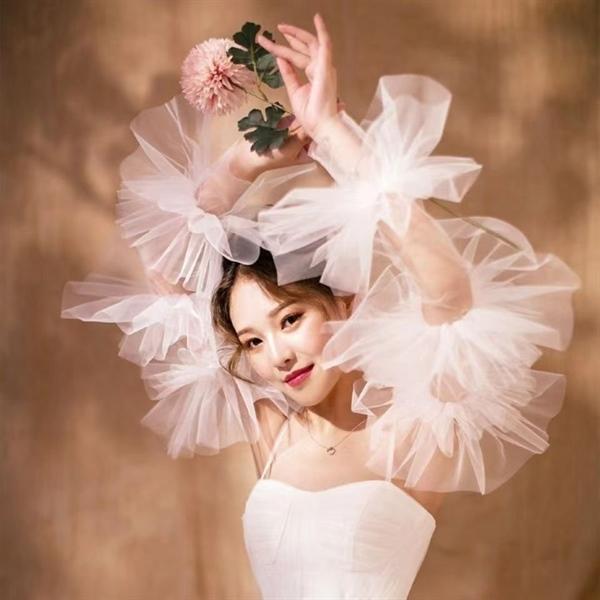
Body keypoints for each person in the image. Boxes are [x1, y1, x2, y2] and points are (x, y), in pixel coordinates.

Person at [62, 13, 580, 600]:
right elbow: (162, 264)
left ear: (344, 303)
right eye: (253, 341)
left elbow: (451, 296)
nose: (277, 355)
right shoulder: (273, 433)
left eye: (290, 319)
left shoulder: (414, 428)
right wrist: (246, 163)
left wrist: (332, 131)